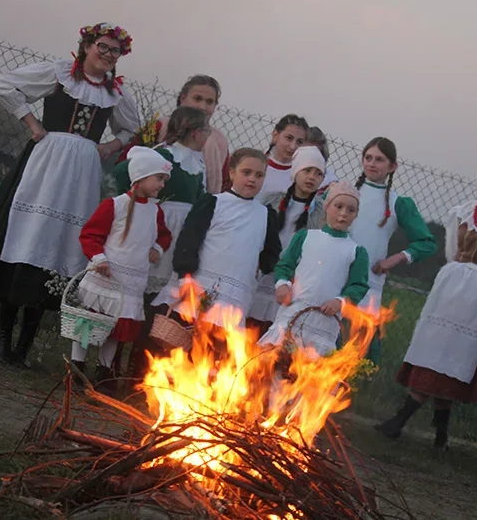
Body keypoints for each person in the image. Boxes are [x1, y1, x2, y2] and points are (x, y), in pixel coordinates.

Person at [0, 22, 139, 367]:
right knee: (28, 240)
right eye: (101, 47)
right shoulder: (61, 74)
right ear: (86, 46)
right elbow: (5, 85)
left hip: (83, 174)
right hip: (45, 163)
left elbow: (131, 127)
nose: (106, 55)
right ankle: (3, 338)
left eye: (114, 51)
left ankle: (25, 346)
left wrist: (110, 146)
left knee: (62, 247)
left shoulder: (115, 93)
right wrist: (32, 124)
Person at [375, 163, 477, 449]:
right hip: (452, 289)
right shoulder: (461, 212)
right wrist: (456, 276)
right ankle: (434, 432)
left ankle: (412, 424)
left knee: (458, 357)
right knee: (436, 352)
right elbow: (451, 252)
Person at [111, 106, 209, 381]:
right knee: (137, 295)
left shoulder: (198, 162)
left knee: (159, 302)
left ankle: (138, 369)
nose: (207, 137)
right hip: (159, 226)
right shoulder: (165, 153)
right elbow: (124, 172)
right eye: (205, 131)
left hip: (182, 235)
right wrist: (143, 202)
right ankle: (113, 361)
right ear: (194, 131)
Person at [328, 137, 436, 364]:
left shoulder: (398, 203)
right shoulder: (343, 192)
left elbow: (427, 243)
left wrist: (397, 258)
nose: (372, 163)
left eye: (379, 159)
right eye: (368, 158)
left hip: (367, 282)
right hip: (331, 272)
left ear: (392, 166)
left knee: (357, 349)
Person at [73, 147, 172, 390]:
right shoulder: (114, 205)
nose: (162, 185)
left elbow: (164, 236)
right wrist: (99, 259)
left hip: (130, 283)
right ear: (140, 177)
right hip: (106, 277)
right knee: (89, 323)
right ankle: (76, 369)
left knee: (117, 330)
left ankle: (105, 374)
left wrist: (157, 249)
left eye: (163, 180)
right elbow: (90, 235)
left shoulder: (155, 211)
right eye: (158, 178)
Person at [154, 148, 282, 331]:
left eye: (259, 175)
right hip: (198, 286)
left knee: (217, 347)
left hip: (235, 292)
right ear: (232, 172)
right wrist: (185, 276)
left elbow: (272, 252)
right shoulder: (213, 203)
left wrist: (260, 267)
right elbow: (189, 240)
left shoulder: (266, 215)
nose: (252, 179)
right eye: (246, 172)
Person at [257, 180, 370, 357]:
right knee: (275, 362)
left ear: (356, 215)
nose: (343, 214)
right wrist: (282, 284)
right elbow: (285, 265)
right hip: (294, 311)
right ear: (327, 207)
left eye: (351, 210)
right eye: (338, 206)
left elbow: (358, 286)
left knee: (309, 373)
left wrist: (339, 302)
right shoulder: (305, 236)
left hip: (324, 321)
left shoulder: (356, 252)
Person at [247, 146, 328, 334]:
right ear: (295, 171)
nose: (311, 177)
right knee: (249, 327)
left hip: (291, 280)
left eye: (318, 174)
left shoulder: (321, 214)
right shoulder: (272, 202)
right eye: (307, 170)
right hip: (263, 272)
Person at [153, 75, 232, 194]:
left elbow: (225, 182)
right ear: (183, 98)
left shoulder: (219, 140)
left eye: (209, 102)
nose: (202, 107)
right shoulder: (161, 126)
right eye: (197, 99)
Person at [257, 115, 310, 197]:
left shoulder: (301, 177)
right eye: (289, 138)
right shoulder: (256, 165)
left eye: (299, 142)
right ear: (275, 135)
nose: (293, 146)